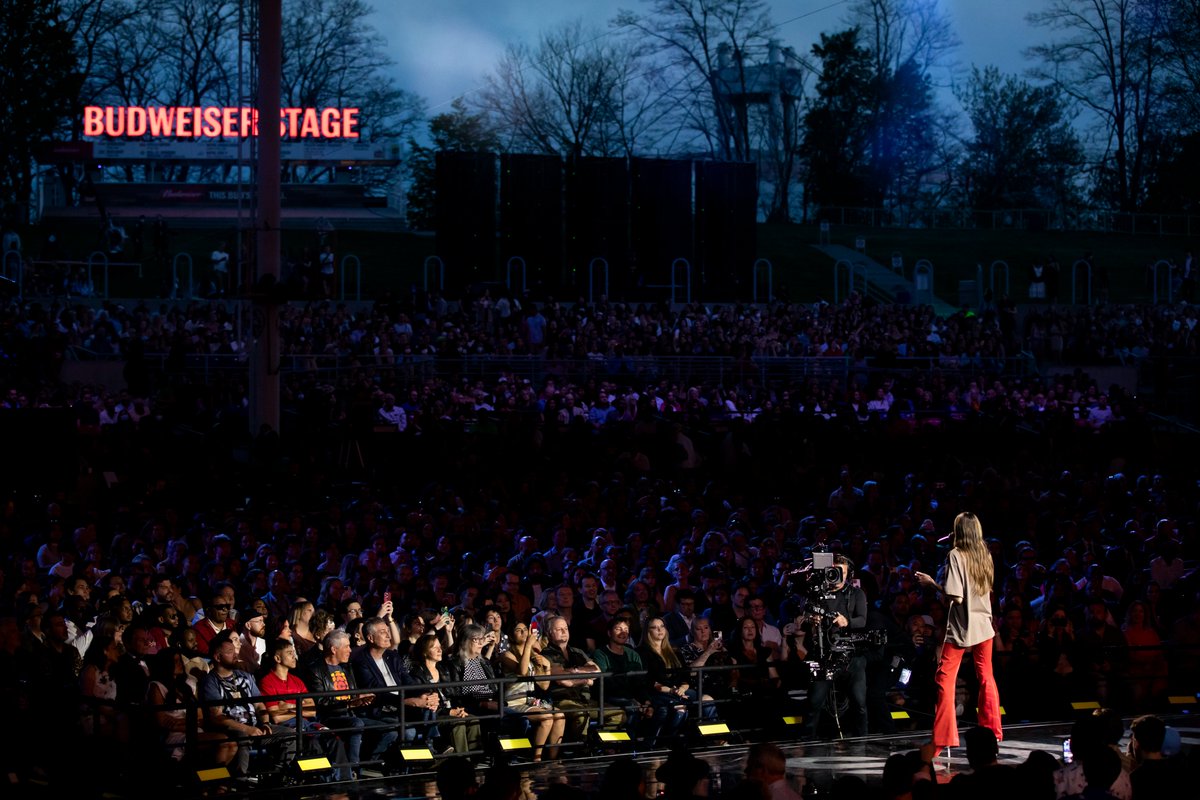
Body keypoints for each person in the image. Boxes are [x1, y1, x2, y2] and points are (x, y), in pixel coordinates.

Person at [916, 512, 1001, 758]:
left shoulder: (955, 555)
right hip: (984, 625)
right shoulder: (984, 554)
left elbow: (955, 597)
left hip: (963, 627)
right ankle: (992, 731)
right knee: (986, 676)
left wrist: (932, 584)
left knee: (944, 678)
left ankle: (943, 739)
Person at [296, 628, 398, 774]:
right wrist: (349, 703)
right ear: (333, 649)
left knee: (392, 729)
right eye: (346, 646)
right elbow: (321, 703)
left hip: (352, 713)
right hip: (330, 717)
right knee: (356, 724)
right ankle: (352, 769)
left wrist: (361, 699)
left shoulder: (347, 667)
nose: (350, 650)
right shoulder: (315, 670)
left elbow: (353, 694)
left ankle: (368, 763)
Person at [197, 630, 286, 777]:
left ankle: (280, 775)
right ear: (218, 657)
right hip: (232, 729)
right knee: (242, 738)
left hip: (255, 726)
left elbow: (259, 705)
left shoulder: (246, 676)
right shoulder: (210, 682)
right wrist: (246, 729)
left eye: (234, 650)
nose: (235, 654)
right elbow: (217, 716)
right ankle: (241, 780)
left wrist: (265, 723)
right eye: (230, 652)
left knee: (290, 734)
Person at [800, 554, 868, 739]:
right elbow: (803, 616)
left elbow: (862, 620)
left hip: (851, 655)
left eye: (842, 572)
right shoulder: (817, 593)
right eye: (834, 571)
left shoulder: (856, 594)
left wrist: (847, 621)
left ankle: (863, 740)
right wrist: (811, 620)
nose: (837, 576)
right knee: (814, 703)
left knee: (859, 703)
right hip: (824, 655)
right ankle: (807, 741)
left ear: (848, 574)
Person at [350, 616, 440, 743]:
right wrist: (408, 701)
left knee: (428, 703)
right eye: (383, 632)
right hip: (381, 709)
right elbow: (378, 692)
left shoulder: (392, 656)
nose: (388, 635)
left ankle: (430, 743)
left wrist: (426, 693)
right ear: (370, 638)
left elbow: (407, 680)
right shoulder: (361, 661)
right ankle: (429, 745)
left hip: (400, 706)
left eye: (388, 630)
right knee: (409, 732)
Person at [497, 620, 564, 760]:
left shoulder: (533, 656)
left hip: (531, 701)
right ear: (510, 635)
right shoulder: (506, 655)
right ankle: (537, 758)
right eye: (518, 630)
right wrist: (529, 646)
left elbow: (544, 686)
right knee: (546, 717)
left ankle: (553, 759)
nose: (523, 632)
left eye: (525, 629)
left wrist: (547, 668)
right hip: (513, 702)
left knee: (560, 716)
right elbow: (522, 671)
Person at [408, 634, 482, 755]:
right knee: (458, 723)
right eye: (434, 647)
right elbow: (426, 705)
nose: (439, 650)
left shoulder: (444, 670)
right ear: (424, 652)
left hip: (449, 711)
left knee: (473, 720)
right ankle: (462, 762)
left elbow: (453, 695)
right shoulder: (417, 674)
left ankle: (475, 762)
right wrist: (449, 712)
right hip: (431, 715)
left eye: (440, 646)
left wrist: (459, 709)